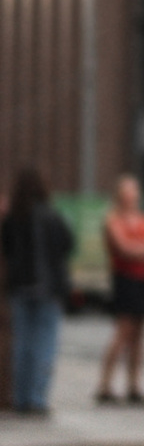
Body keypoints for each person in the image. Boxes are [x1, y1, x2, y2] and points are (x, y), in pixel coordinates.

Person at [5, 165, 76, 413]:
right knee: (44, 343)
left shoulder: (13, 217)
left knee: (22, 344)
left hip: (20, 287)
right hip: (48, 287)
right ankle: (37, 398)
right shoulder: (51, 215)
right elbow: (68, 243)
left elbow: (6, 248)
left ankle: (20, 398)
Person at [98, 176, 144, 404]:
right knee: (123, 332)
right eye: (128, 191)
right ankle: (105, 385)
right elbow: (124, 248)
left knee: (140, 334)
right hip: (125, 280)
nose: (132, 196)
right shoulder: (113, 220)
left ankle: (133, 385)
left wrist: (140, 249)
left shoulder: (143, 219)